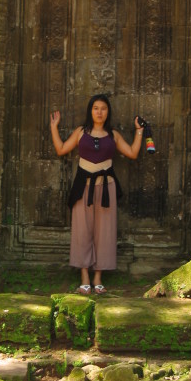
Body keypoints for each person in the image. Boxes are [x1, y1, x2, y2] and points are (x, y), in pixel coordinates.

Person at [50, 94, 144, 294]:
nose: (99, 112)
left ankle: (98, 277)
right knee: (82, 231)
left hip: (106, 187)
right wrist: (54, 127)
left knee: (105, 232)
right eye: (95, 108)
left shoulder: (113, 135)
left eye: (103, 108)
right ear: (90, 111)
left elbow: (133, 153)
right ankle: (84, 277)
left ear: (107, 112)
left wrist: (139, 132)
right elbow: (61, 149)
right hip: (82, 187)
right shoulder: (80, 132)